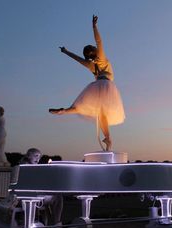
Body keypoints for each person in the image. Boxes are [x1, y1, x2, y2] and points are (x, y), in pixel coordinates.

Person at [49, 15, 125, 151]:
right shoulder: (101, 59)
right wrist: (94, 26)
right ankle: (108, 137)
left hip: (96, 86)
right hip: (107, 85)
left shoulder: (90, 65)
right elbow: (99, 42)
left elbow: (77, 59)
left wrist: (65, 51)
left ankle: (65, 110)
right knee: (102, 113)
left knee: (83, 105)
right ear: (95, 52)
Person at [19, 148, 63, 226]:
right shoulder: (27, 167)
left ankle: (54, 222)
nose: (38, 159)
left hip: (33, 195)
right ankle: (56, 222)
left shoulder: (27, 166)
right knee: (58, 197)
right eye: (36, 156)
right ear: (28, 156)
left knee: (56, 196)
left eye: (39, 157)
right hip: (30, 196)